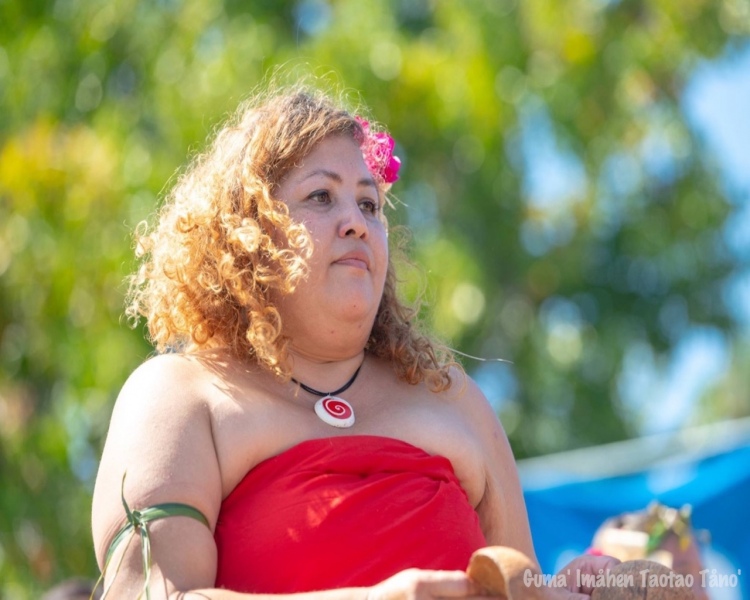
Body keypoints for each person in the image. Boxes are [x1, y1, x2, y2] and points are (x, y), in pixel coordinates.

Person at [91, 82, 616, 599]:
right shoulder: (181, 394)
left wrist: (577, 593)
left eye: (369, 204)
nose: (356, 224)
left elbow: (518, 587)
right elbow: (150, 595)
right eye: (321, 196)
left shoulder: (455, 400)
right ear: (247, 234)